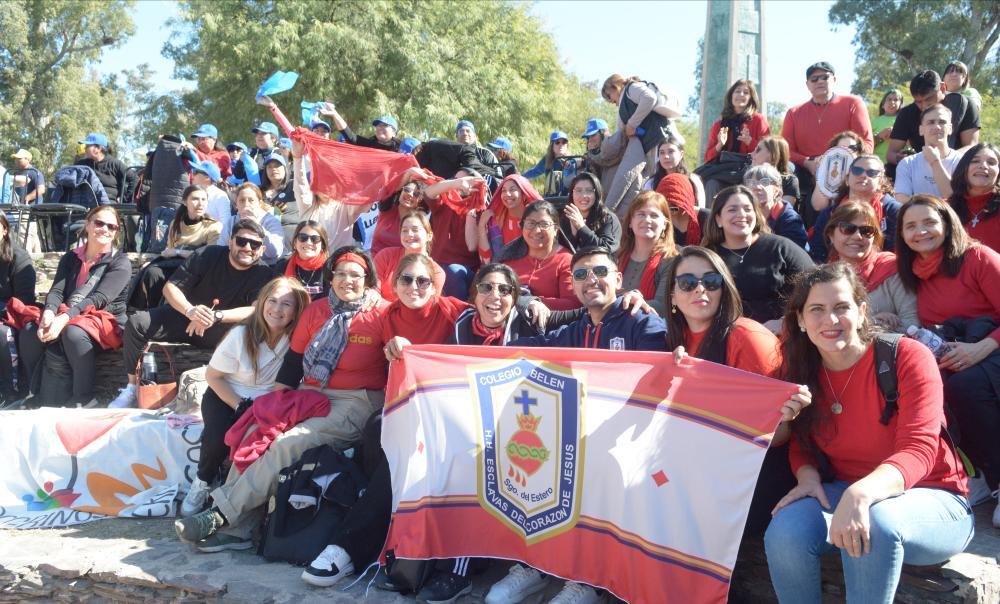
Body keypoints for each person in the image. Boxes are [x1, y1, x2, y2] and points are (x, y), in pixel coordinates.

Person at [764, 262, 973, 602]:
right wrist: (807, 478)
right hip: (845, 491)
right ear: (800, 320)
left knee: (872, 523)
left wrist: (861, 493)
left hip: (933, 497)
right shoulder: (800, 370)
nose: (831, 320)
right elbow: (802, 443)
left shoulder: (907, 356)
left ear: (862, 311)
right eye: (817, 309)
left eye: (841, 307)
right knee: (784, 533)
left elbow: (920, 449)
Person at [175, 247, 391, 552]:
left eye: (355, 275)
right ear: (330, 278)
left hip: (356, 400)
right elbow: (293, 363)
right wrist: (272, 410)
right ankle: (239, 531)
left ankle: (221, 514)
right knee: (256, 432)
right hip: (310, 393)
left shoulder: (382, 313)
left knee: (288, 443)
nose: (347, 280)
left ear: (367, 279)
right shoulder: (317, 310)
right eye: (340, 273)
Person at [487, 246, 666, 604]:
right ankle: (537, 566)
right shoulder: (577, 329)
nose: (590, 280)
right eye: (581, 275)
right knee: (530, 454)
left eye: (599, 271)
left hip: (631, 441)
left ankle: (589, 581)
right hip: (581, 435)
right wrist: (465, 354)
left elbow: (657, 389)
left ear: (618, 278)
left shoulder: (642, 322)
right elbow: (532, 348)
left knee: (592, 466)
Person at [665, 246, 809, 536]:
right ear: (672, 296)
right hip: (700, 465)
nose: (700, 289)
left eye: (711, 281)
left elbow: (780, 435)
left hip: (752, 475)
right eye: (687, 283)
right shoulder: (672, 340)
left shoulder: (748, 338)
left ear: (725, 288)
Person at [896, 195, 1000, 526]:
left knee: (965, 387)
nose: (921, 231)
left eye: (929, 222)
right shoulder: (911, 271)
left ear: (947, 223)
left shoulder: (978, 257)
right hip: (951, 352)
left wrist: (982, 347)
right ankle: (972, 473)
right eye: (911, 226)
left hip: (991, 345)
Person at [110, 219, 275, 409]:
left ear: (262, 249)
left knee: (248, 335)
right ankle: (132, 388)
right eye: (241, 241)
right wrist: (190, 311)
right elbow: (171, 288)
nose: (247, 248)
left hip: (223, 328)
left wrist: (216, 316)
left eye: (254, 244)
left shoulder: (263, 272)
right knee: (137, 322)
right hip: (185, 317)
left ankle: (234, 394)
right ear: (230, 242)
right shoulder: (207, 254)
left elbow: (256, 309)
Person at [180, 277, 309, 517]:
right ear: (262, 303)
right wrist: (241, 406)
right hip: (226, 393)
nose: (277, 309)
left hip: (269, 399)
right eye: (272, 301)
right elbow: (213, 376)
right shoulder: (240, 334)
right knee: (217, 437)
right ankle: (203, 480)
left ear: (297, 310)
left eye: (286, 304)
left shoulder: (296, 338)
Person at [17, 206, 131, 407]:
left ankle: (83, 397)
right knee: (30, 331)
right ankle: (35, 391)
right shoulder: (71, 257)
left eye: (111, 226)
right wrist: (49, 312)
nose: (105, 229)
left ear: (116, 232)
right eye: (99, 223)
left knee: (73, 333)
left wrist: (64, 319)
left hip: (105, 319)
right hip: (71, 313)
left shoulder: (120, 263)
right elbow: (57, 291)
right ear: (87, 224)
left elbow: (99, 299)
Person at [702, 185, 813, 331]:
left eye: (748, 209)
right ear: (718, 219)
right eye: (732, 210)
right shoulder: (708, 256)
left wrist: (785, 322)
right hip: (727, 333)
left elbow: (814, 284)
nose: (741, 214)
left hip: (780, 333)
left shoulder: (781, 247)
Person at [780, 62, 874, 204]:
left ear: (834, 79)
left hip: (844, 166)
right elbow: (786, 150)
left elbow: (867, 144)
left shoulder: (853, 103)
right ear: (807, 84)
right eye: (814, 79)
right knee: (784, 169)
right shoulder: (794, 113)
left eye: (824, 77)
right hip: (807, 168)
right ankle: (785, 214)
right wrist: (807, 163)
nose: (820, 81)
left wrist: (836, 161)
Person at [823, 202, 918, 333]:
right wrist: (871, 322)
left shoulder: (891, 268)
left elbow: (913, 325)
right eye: (847, 229)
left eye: (866, 231)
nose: (857, 236)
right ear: (831, 235)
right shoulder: (825, 278)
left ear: (875, 237)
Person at [129, 185, 223, 310]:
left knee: (162, 276)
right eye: (195, 199)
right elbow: (169, 251)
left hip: (197, 268)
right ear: (184, 202)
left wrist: (179, 251)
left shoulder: (213, 226)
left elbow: (209, 256)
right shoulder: (176, 223)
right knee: (152, 272)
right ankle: (152, 311)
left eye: (203, 199)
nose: (200, 204)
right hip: (175, 264)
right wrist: (153, 262)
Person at [601, 74, 682, 218]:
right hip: (650, 146)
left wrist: (632, 124)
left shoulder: (631, 88)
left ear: (615, 87)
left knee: (664, 176)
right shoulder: (625, 100)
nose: (610, 101)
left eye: (609, 96)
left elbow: (649, 98)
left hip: (659, 141)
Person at [808, 154, 901, 262]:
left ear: (881, 182)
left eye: (871, 173)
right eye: (857, 170)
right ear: (847, 179)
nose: (863, 175)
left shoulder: (894, 211)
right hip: (835, 268)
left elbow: (896, 253)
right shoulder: (830, 213)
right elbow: (818, 252)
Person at [495, 200, 579, 311]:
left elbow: (573, 304)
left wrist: (531, 302)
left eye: (544, 224)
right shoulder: (507, 256)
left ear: (556, 230)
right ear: (522, 226)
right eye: (531, 224)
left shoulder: (566, 260)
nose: (537, 230)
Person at [887, 70, 980, 166]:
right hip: (920, 167)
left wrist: (945, 161)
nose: (924, 106)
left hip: (956, 167)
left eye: (929, 99)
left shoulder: (965, 105)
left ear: (942, 88)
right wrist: (901, 158)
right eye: (919, 102)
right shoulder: (907, 113)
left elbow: (971, 146)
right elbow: (891, 153)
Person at [422, 169, 488, 297]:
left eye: (467, 181)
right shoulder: (444, 203)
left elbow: (472, 246)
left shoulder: (481, 211)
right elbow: (428, 193)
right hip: (435, 264)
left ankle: (458, 310)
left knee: (452, 272)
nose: (461, 183)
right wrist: (455, 183)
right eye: (456, 179)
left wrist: (474, 211)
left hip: (462, 271)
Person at [616, 190, 678, 315]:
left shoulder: (671, 261)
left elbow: (662, 306)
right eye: (641, 214)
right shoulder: (616, 256)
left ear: (665, 224)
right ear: (630, 222)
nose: (647, 220)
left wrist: (625, 305)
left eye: (654, 215)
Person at [0, 214, 36, 403]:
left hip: (13, 315)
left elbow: (24, 300)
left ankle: (10, 392)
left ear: (5, 229)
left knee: (2, 333)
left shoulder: (18, 258)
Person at [894, 104, 963, 202]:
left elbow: (955, 199)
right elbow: (901, 199)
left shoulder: (962, 161)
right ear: (921, 130)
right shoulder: (907, 164)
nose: (937, 127)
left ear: (950, 129)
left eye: (942, 122)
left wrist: (935, 162)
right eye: (931, 122)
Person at [374, 210, 445, 301]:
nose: (409, 234)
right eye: (405, 230)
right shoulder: (385, 256)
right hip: (378, 308)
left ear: (429, 236)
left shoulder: (437, 272)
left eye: (415, 230)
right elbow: (373, 290)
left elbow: (429, 305)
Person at [473, 174, 543, 263]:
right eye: (504, 190)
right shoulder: (495, 220)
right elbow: (485, 259)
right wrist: (481, 226)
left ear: (524, 194)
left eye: (512, 190)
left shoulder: (535, 220)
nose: (507, 194)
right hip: (500, 268)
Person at [947, 143, 1000, 252]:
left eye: (991, 162)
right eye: (975, 161)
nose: (983, 166)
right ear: (963, 168)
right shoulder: (946, 208)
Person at [215, 183, 284, 265]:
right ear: (236, 204)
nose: (246, 204)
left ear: (260, 203)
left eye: (251, 200)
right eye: (242, 200)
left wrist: (257, 225)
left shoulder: (271, 221)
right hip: (236, 264)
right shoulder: (231, 221)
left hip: (265, 266)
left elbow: (275, 252)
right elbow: (221, 248)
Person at [743, 163, 807, 249]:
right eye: (752, 183)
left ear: (776, 190)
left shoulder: (790, 220)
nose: (757, 187)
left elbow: (790, 252)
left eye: (764, 182)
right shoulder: (743, 215)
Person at [370, 168, 430, 255]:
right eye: (407, 189)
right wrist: (408, 173)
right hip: (375, 259)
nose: (410, 194)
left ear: (420, 201)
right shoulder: (387, 208)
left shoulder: (419, 220)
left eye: (416, 194)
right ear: (401, 191)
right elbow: (389, 189)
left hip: (402, 262)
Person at [559, 172, 621, 251]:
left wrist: (581, 227)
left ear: (597, 194)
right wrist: (573, 236)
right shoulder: (566, 217)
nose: (583, 195)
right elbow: (561, 251)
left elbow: (606, 249)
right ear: (572, 194)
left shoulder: (608, 218)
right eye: (578, 190)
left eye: (589, 191)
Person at [644, 135, 706, 208]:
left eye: (671, 151)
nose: (666, 156)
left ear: (681, 154)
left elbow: (700, 208)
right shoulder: (651, 183)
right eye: (662, 152)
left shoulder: (693, 180)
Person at [275, 221, 330, 300]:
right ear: (295, 242)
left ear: (322, 245)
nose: (308, 242)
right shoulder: (282, 267)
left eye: (315, 239)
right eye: (303, 237)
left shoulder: (330, 269)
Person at [319, 103, 401, 152]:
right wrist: (335, 114)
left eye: (384, 125)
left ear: (394, 132)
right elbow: (349, 136)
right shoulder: (369, 144)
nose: (379, 128)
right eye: (378, 125)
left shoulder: (401, 149)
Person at [655, 173, 707, 247]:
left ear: (687, 201)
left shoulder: (707, 219)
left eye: (675, 207)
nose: (671, 212)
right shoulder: (656, 219)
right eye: (666, 206)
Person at [74, 133, 129, 203]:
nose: (85, 148)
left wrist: (125, 199)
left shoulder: (115, 163)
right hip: (86, 202)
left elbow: (134, 179)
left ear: (98, 149)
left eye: (87, 146)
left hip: (108, 203)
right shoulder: (81, 164)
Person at [750, 136, 800, 209]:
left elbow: (783, 211)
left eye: (758, 150)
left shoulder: (789, 181)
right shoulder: (749, 176)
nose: (752, 154)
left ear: (772, 155)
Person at [522, 131, 575, 196]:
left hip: (566, 197)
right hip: (550, 197)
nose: (561, 145)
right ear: (552, 145)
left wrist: (568, 167)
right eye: (557, 142)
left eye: (564, 142)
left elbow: (573, 174)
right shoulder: (547, 160)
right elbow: (535, 171)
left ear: (567, 145)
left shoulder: (572, 160)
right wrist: (520, 177)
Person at [580, 118, 622, 194]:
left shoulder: (614, 147)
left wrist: (592, 155)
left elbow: (604, 160)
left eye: (593, 135)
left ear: (603, 133)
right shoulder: (593, 153)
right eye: (588, 137)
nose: (590, 140)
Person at [871, 90, 903, 164]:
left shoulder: (904, 120)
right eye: (889, 99)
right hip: (877, 162)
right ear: (883, 105)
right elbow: (866, 144)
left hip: (898, 163)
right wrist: (880, 136)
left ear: (900, 104)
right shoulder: (874, 122)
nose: (892, 102)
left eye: (896, 100)